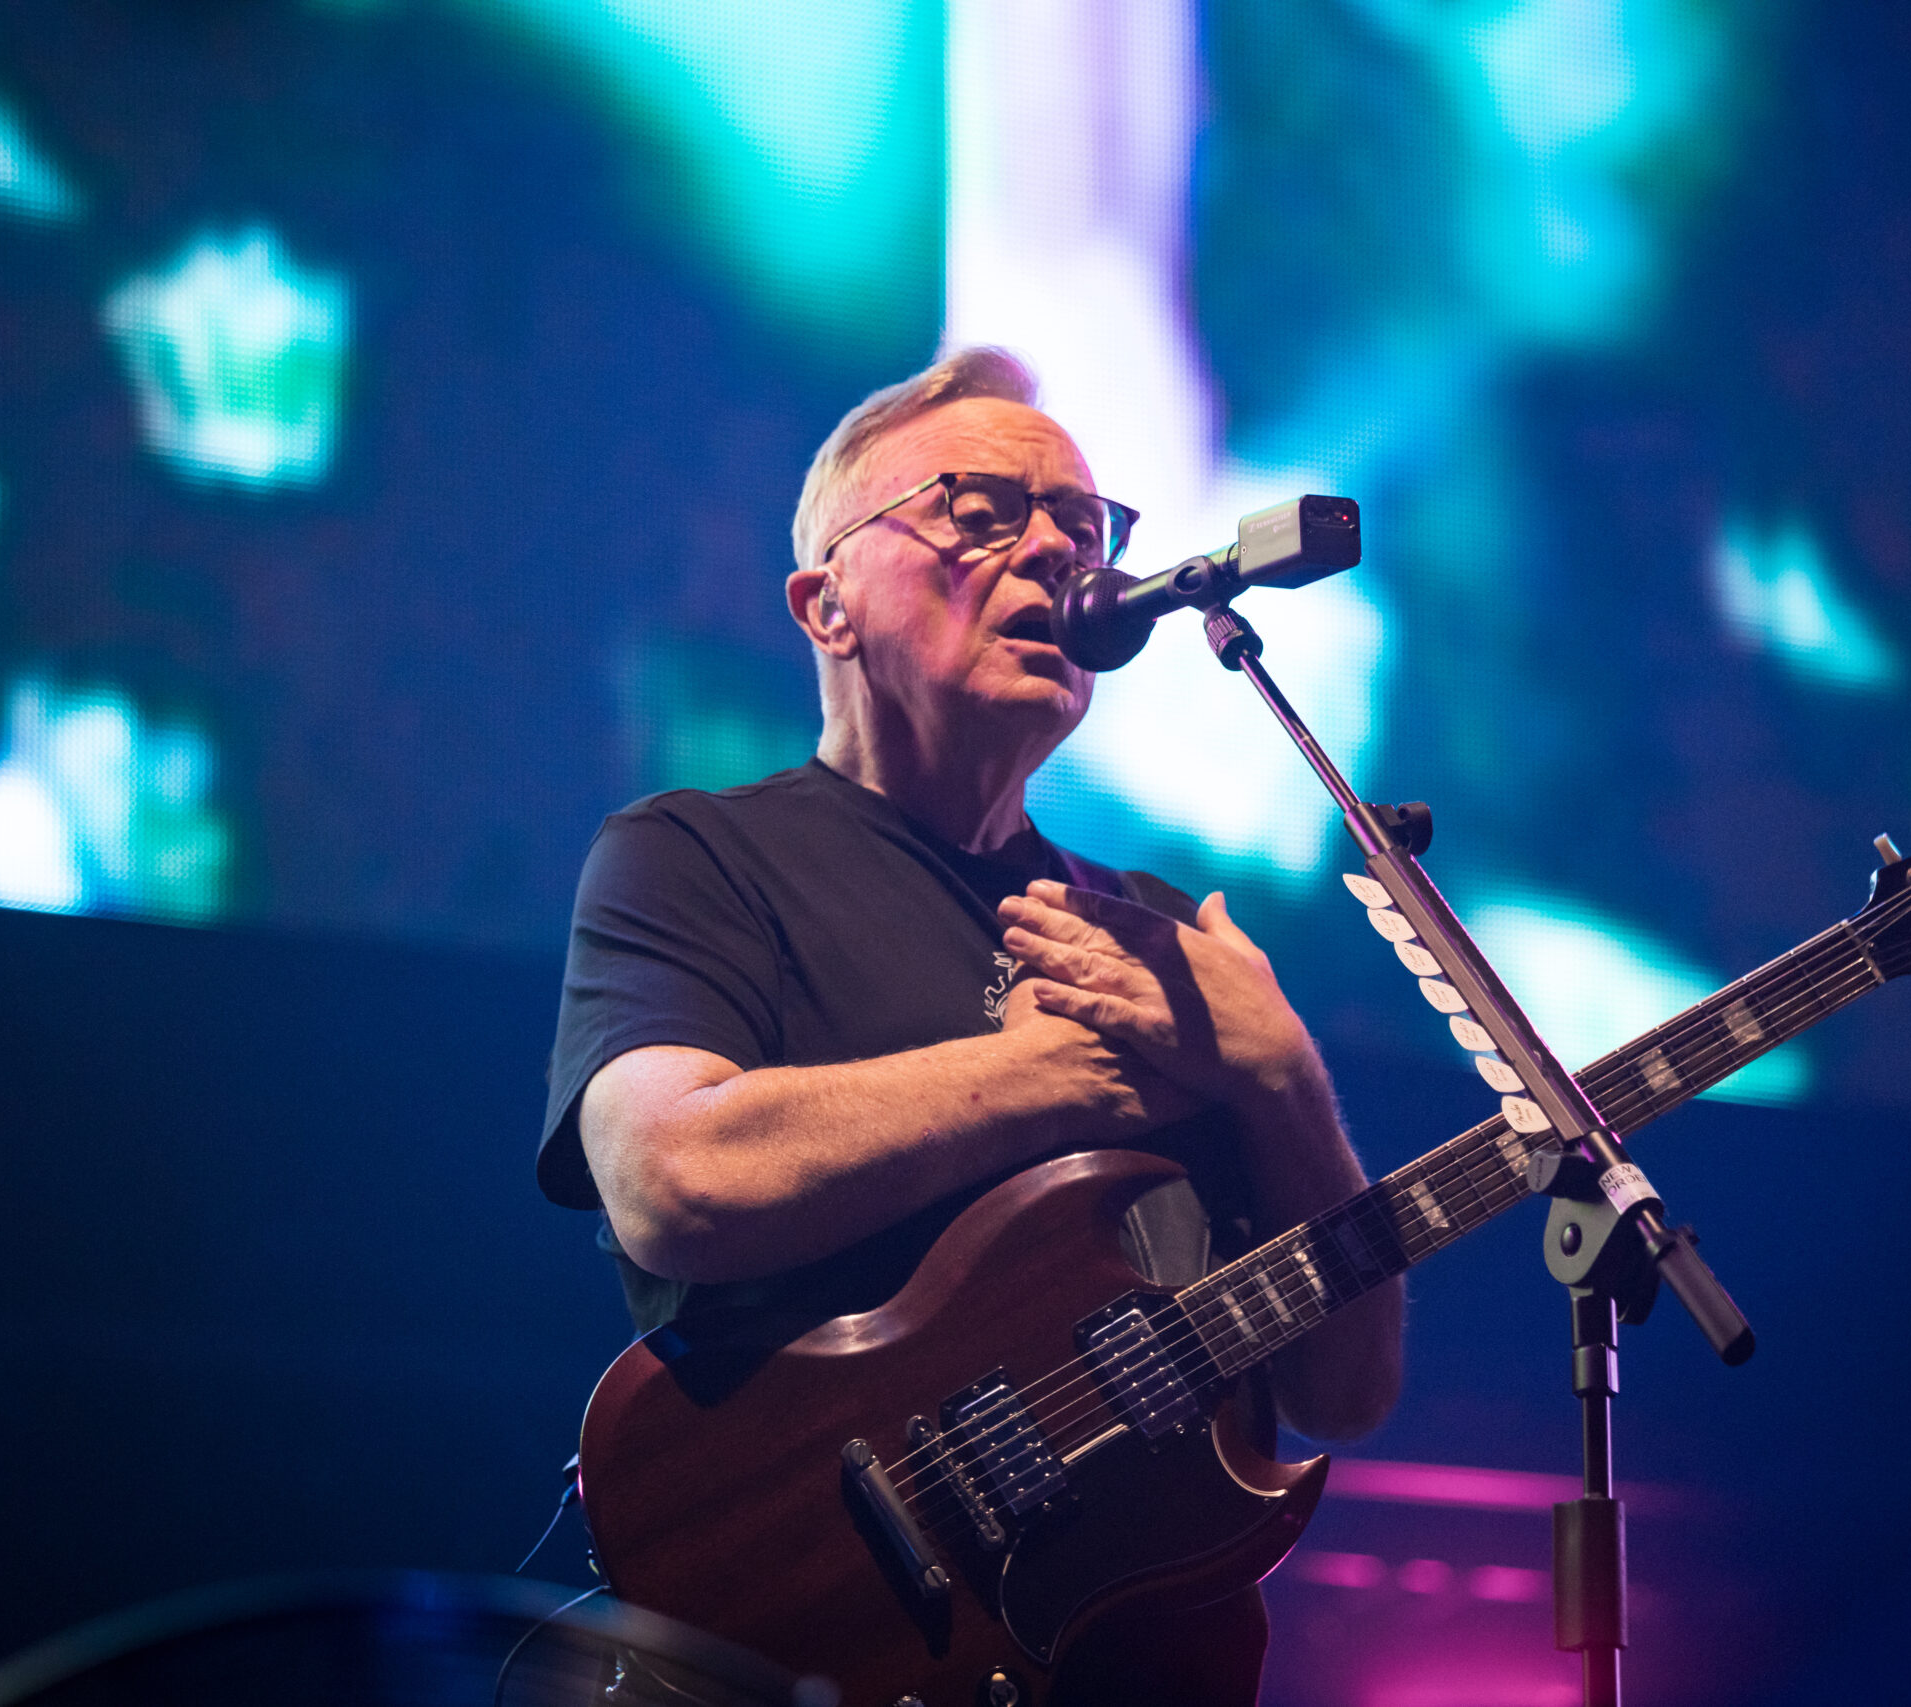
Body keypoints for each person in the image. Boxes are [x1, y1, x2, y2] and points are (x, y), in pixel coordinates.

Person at [537, 346, 1404, 1690]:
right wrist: (1060, 1076)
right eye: (982, 512)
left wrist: (1282, 1076)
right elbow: (675, 1181)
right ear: (826, 606)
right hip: (798, 1638)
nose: (1061, 555)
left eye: (1087, 526)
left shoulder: (1164, 942)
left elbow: (1341, 1393)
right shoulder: (694, 858)